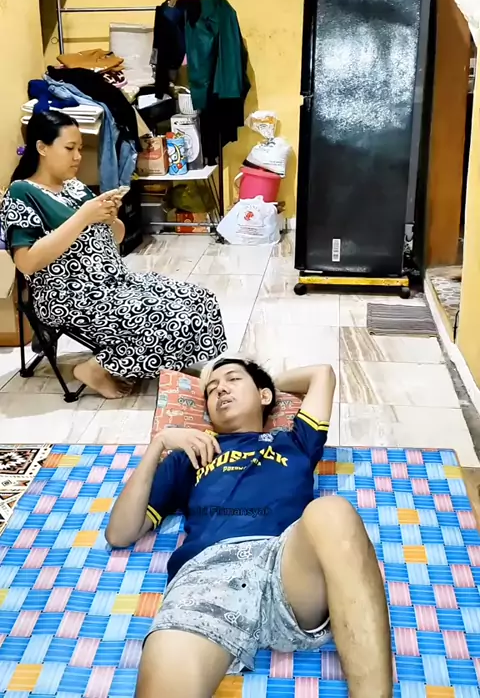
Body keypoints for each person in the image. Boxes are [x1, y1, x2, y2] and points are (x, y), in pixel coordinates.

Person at [107, 358, 393, 698]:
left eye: (232, 380)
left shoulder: (296, 442)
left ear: (264, 396)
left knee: (332, 511)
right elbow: (120, 533)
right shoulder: (190, 455)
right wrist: (159, 445)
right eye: (211, 389)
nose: (220, 390)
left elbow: (322, 374)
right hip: (208, 574)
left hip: (287, 565)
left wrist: (267, 382)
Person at [0, 111, 227, 398]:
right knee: (173, 318)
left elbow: (116, 237)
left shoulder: (75, 187)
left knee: (200, 300)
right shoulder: (22, 193)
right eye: (69, 148)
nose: (78, 157)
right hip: (70, 296)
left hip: (115, 282)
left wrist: (110, 217)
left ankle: (165, 358)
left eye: (80, 148)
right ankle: (95, 368)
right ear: (42, 148)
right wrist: (83, 217)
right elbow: (26, 262)